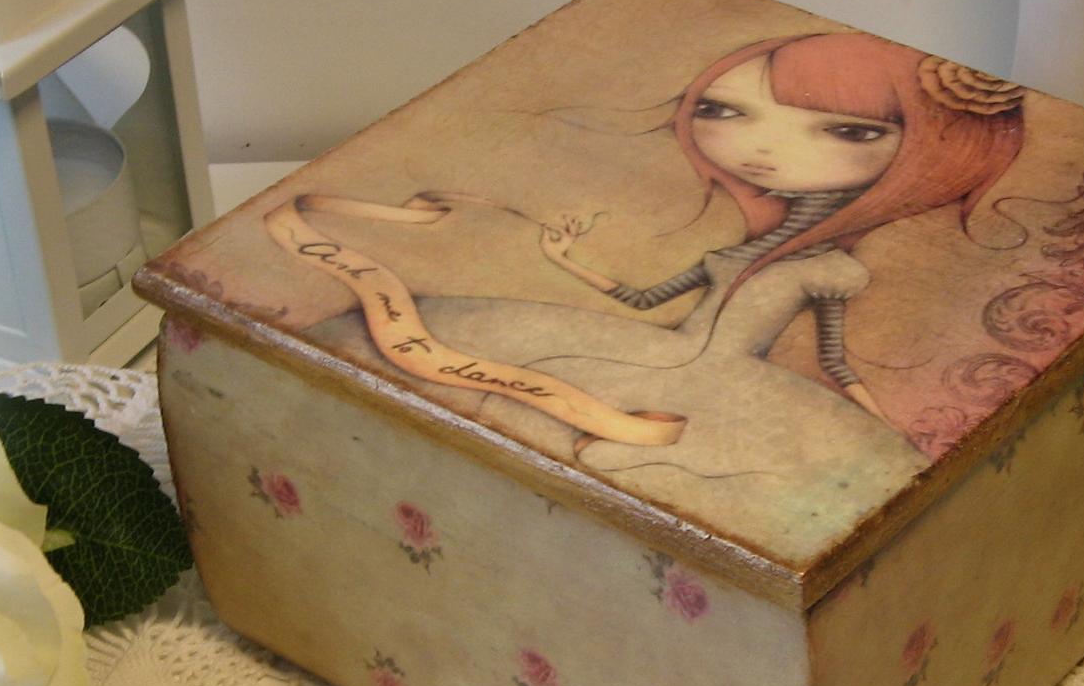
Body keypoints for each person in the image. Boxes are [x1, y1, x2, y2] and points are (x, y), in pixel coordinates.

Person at [294, 32, 1025, 552]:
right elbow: (646, 303)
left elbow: (835, 362)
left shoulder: (831, 270)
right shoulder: (736, 250)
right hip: (647, 352)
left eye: (848, 131)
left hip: (723, 382)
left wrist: (888, 429)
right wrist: (565, 258)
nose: (761, 149)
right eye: (723, 110)